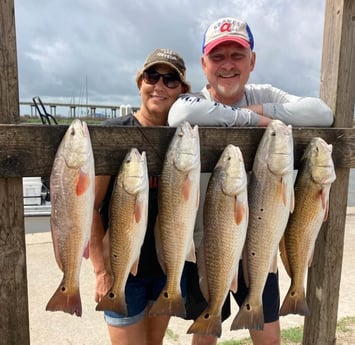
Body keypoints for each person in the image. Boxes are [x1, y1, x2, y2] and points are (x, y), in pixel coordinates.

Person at [168, 17, 334, 345]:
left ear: (252, 61)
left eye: (237, 55)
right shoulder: (196, 101)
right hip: (208, 241)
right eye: (217, 57)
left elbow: (322, 113)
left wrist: (263, 107)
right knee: (205, 330)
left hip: (260, 238)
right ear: (203, 64)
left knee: (267, 332)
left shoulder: (265, 92)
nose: (227, 65)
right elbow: (180, 116)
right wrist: (253, 120)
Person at [90, 48, 191, 345]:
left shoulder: (183, 137)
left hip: (167, 266)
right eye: (152, 76)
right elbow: (91, 209)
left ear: (182, 91)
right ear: (140, 82)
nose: (159, 85)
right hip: (121, 269)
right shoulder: (113, 134)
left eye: (171, 79)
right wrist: (100, 271)